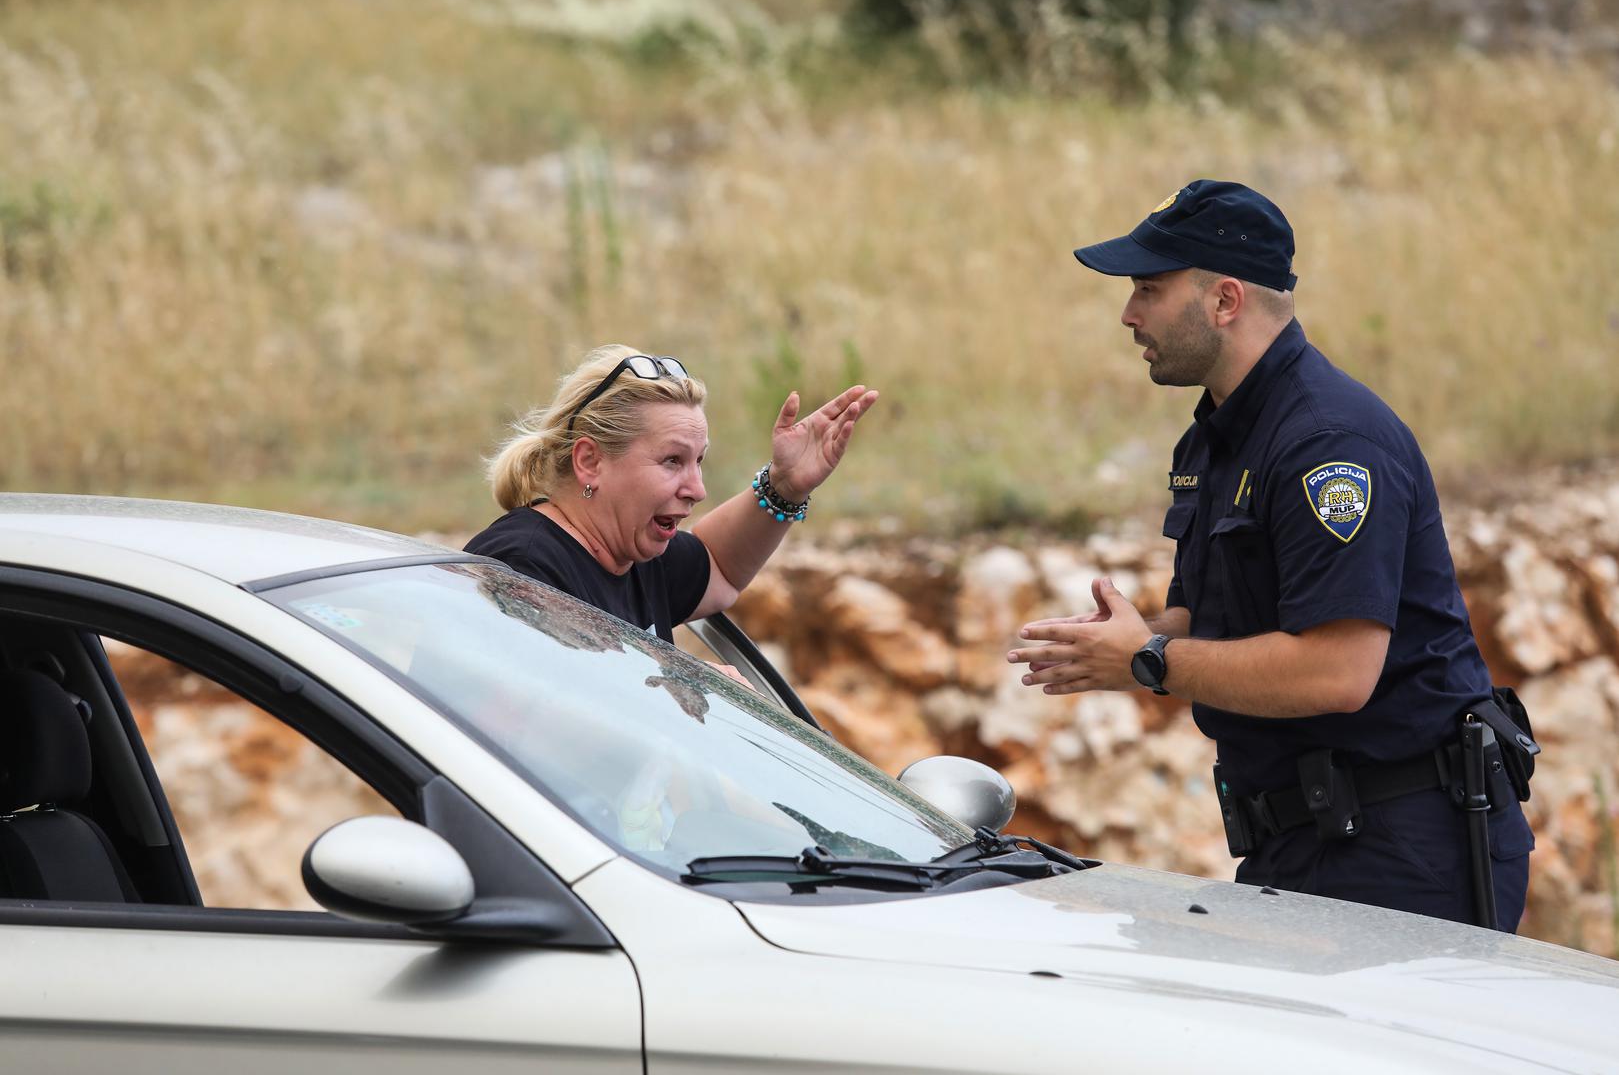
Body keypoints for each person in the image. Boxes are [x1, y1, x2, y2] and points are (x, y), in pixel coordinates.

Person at [1005, 179, 1534, 930]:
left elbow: (1337, 670)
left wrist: (1149, 660)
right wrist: (1118, 644)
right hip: (1297, 841)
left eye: (1147, 290)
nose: (1127, 315)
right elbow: (1214, 620)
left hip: (1402, 851)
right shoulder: (1215, 436)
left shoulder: (1329, 444)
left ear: (1224, 301)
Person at [466, 344, 877, 642]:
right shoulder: (522, 567)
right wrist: (685, 692)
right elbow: (515, 734)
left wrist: (784, 486)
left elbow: (720, 566)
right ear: (590, 461)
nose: (697, 490)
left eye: (698, 461)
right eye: (672, 461)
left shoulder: (636, 557)